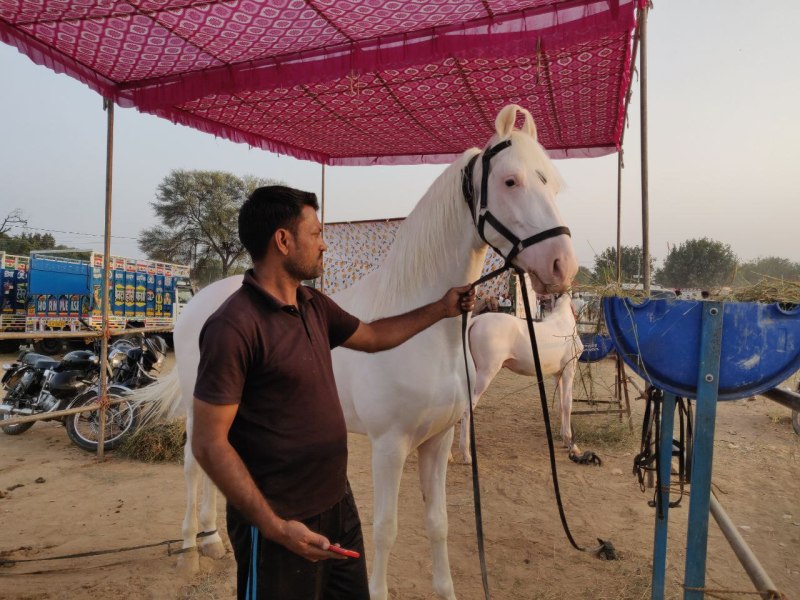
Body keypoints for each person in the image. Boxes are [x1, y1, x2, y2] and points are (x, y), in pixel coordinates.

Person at [191, 185, 476, 600]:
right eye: (317, 233)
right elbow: (208, 442)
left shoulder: (313, 305)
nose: (325, 245)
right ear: (283, 241)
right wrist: (273, 527)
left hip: (337, 506)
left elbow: (376, 335)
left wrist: (442, 307)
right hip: (277, 527)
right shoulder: (233, 327)